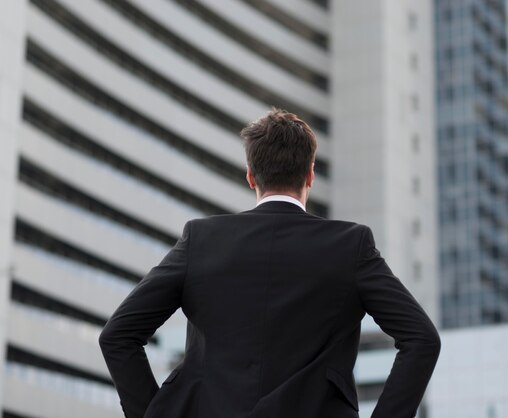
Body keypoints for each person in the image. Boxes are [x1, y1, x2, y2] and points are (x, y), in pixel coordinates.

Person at [98, 107, 441, 418]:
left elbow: (118, 336)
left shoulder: (200, 240)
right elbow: (422, 339)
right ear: (310, 174)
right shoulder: (350, 246)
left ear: (251, 175)